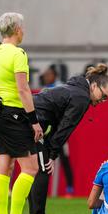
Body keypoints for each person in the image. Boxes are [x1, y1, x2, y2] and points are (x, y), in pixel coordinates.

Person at [28, 63, 108, 214]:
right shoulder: (82, 97)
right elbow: (65, 128)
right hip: (31, 122)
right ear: (94, 85)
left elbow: (59, 125)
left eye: (106, 99)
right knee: (43, 169)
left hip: (31, 120)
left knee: (34, 169)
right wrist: (52, 155)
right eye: (103, 96)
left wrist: (50, 148)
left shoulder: (77, 87)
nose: (102, 101)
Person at [0, 12, 44, 214]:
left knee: (4, 167)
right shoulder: (18, 54)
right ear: (18, 30)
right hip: (13, 114)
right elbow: (23, 89)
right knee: (30, 168)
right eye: (23, 27)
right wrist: (34, 121)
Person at [41, 64, 75, 197]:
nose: (45, 77)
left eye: (48, 75)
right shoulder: (46, 89)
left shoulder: (60, 88)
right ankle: (42, 189)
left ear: (54, 75)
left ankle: (70, 189)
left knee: (64, 160)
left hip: (59, 131)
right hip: (48, 131)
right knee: (44, 160)